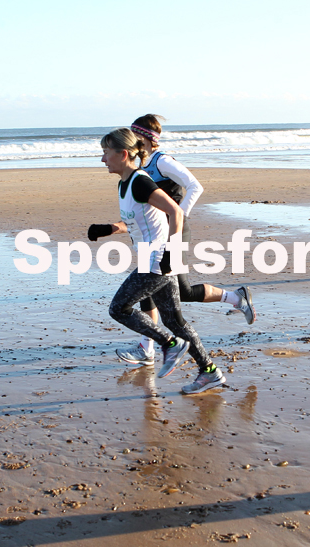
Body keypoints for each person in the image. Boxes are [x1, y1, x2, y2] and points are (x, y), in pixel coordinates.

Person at [90, 128, 227, 394]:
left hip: (158, 261)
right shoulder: (124, 184)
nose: (103, 159)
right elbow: (141, 221)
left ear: (123, 154)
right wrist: (109, 228)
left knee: (118, 308)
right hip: (154, 259)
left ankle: (168, 344)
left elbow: (175, 211)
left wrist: (171, 252)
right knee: (175, 321)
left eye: (106, 153)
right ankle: (209, 372)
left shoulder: (140, 181)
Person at [114, 114, 256, 367]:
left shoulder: (161, 161)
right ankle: (148, 348)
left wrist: (180, 214)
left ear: (143, 137)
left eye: (132, 134)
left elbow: (195, 186)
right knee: (152, 289)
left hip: (174, 232)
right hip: (154, 234)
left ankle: (237, 299)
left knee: (178, 292)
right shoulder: (141, 167)